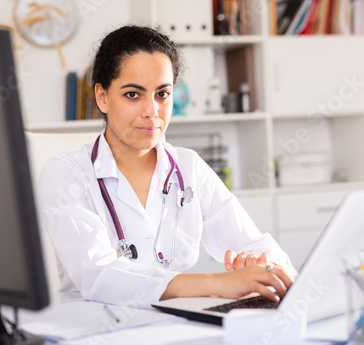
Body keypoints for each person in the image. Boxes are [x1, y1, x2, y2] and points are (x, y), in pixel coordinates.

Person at [39, 25, 296, 308]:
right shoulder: (66, 173)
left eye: (162, 94)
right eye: (133, 95)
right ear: (102, 97)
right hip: (93, 328)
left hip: (173, 323)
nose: (152, 112)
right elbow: (97, 274)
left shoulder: (188, 167)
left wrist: (262, 264)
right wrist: (218, 283)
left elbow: (255, 242)